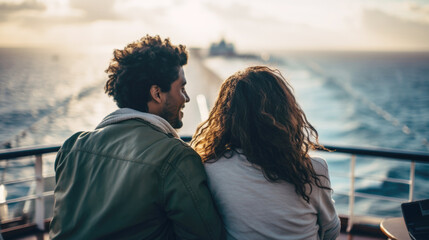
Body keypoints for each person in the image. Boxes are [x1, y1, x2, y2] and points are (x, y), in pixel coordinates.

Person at [50, 35, 225, 239]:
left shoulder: (72, 148)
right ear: (157, 93)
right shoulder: (175, 157)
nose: (186, 98)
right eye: (182, 88)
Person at [192, 66, 341, 240]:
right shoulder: (313, 170)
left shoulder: (211, 168)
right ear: (285, 112)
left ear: (226, 116)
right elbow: (331, 231)